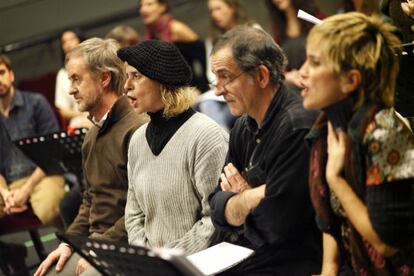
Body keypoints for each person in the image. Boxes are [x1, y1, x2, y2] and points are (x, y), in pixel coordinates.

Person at [299, 12, 414, 275]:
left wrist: (335, 179)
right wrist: (328, 271)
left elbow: (386, 244)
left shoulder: (385, 132)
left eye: (314, 62)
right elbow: (333, 225)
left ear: (351, 80)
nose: (302, 72)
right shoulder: (324, 126)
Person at [208, 25, 321, 275]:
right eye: (214, 78)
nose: (217, 90)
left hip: (292, 263)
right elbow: (215, 205)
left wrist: (236, 204)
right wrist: (251, 196)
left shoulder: (296, 126)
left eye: (225, 77)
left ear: (261, 76)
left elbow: (276, 226)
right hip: (252, 255)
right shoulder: (242, 126)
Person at [35, 38, 145, 276]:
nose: (71, 89)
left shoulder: (137, 130)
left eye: (76, 78)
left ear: (104, 78)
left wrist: (99, 248)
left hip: (126, 246)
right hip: (97, 243)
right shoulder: (91, 135)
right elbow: (89, 199)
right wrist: (69, 242)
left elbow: (143, 211)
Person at [116, 40, 228, 254]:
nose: (126, 85)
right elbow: (134, 215)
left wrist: (168, 260)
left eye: (136, 76)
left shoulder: (206, 135)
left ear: (163, 81)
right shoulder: (138, 140)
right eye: (127, 76)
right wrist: (146, 258)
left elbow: (214, 217)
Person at [0, 54, 65, 227]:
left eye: (1, 72)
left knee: (46, 214)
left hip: (43, 176)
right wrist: (5, 193)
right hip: (8, 183)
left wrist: (25, 190)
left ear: (11, 75)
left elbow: (52, 153)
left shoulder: (36, 103)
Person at [266, 0, 324, 90]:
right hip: (295, 82)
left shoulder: (313, 17)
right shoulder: (278, 27)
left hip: (317, 76)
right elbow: (276, 61)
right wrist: (287, 75)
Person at [55, 30, 91, 129]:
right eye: (64, 42)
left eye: (71, 39)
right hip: (79, 122)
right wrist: (81, 115)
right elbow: (63, 110)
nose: (68, 44)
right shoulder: (62, 74)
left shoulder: (93, 63)